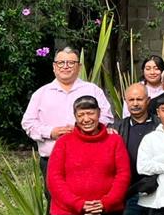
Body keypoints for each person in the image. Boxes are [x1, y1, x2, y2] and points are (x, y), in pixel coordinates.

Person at [22, 46, 114, 178]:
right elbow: (28, 123)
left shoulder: (92, 90)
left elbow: (107, 117)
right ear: (54, 66)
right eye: (61, 63)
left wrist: (84, 130)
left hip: (89, 159)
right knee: (54, 192)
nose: (65, 66)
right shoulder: (41, 94)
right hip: (52, 161)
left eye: (71, 63)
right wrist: (50, 132)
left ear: (79, 67)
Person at [117, 83, 156, 215]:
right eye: (131, 100)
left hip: (157, 191)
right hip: (129, 192)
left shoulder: (159, 125)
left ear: (147, 100)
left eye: (139, 99)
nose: (135, 103)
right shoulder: (119, 127)